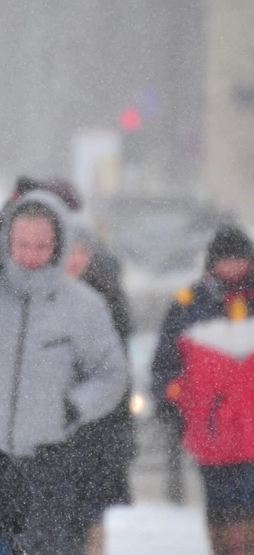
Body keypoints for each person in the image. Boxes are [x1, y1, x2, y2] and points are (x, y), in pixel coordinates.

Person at [0, 189, 130, 555]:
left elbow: (112, 374)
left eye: (41, 245)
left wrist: (73, 407)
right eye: (21, 243)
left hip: (51, 467)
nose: (30, 255)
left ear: (59, 244)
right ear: (7, 240)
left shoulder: (83, 307)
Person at [44, 178, 136, 555]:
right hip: (54, 426)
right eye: (70, 251)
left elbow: (117, 368)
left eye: (83, 251)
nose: (75, 259)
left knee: (92, 515)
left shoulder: (107, 295)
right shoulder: (40, 295)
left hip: (98, 429)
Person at [151, 225, 254, 554]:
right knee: (221, 511)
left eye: (240, 259)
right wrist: (171, 401)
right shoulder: (189, 304)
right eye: (227, 260)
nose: (234, 267)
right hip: (211, 433)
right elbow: (166, 363)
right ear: (212, 263)